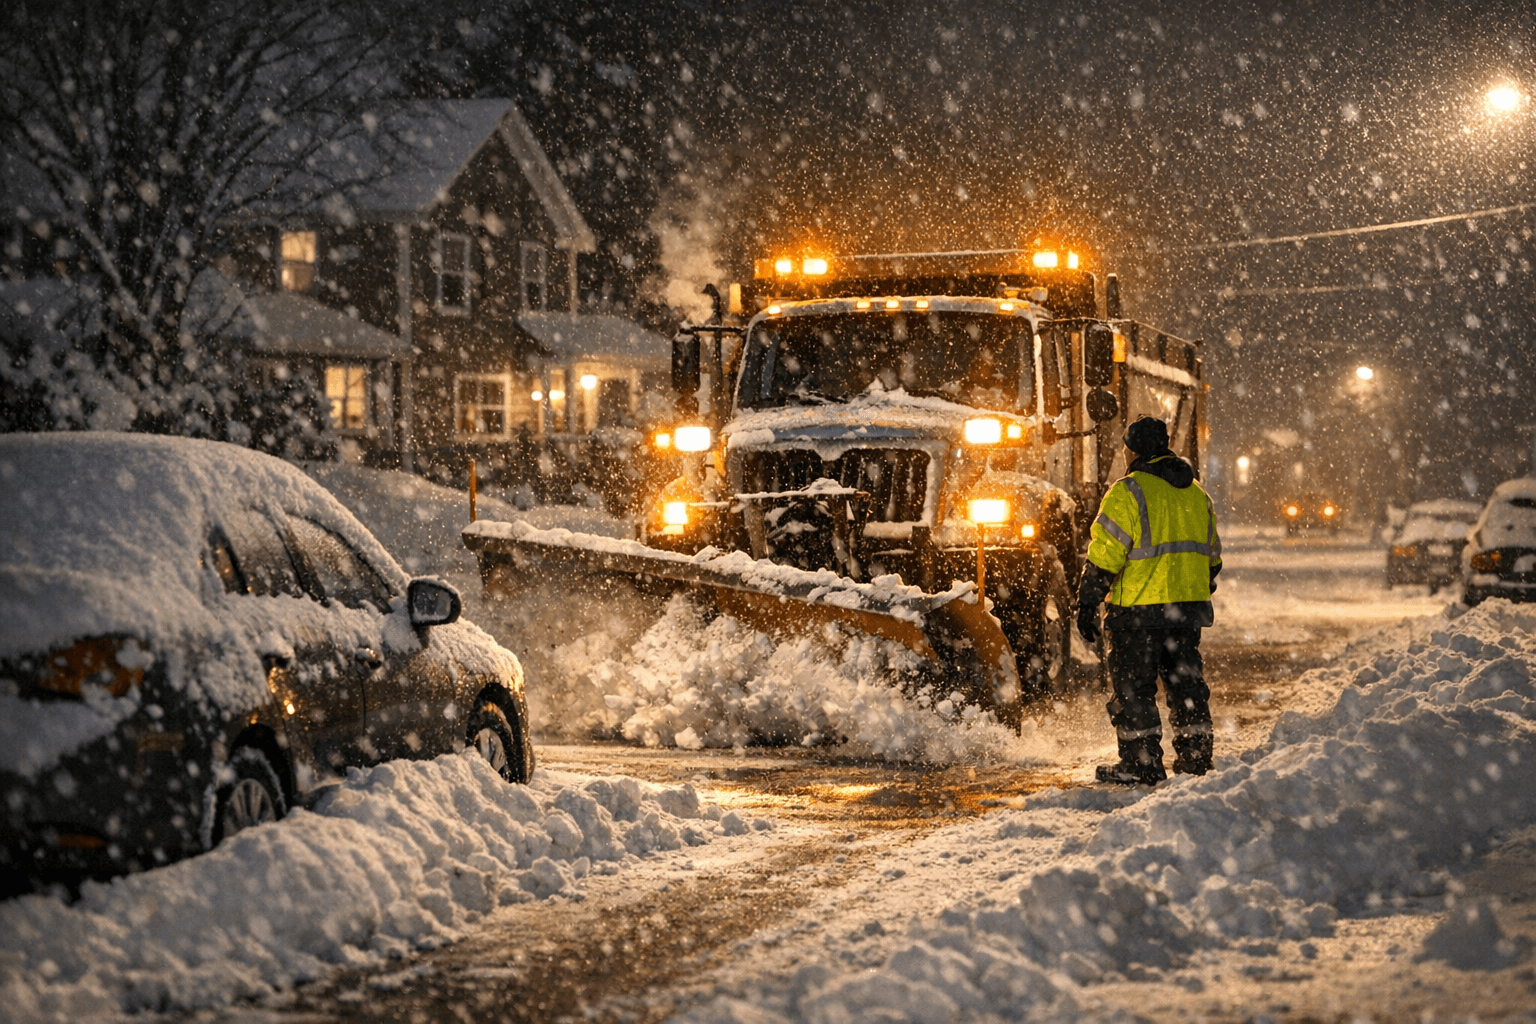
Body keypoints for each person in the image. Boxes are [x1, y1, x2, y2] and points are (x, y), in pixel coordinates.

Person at [1076, 416, 1221, 785]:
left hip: (1137, 612)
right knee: (1186, 685)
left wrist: (1088, 601)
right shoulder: (1197, 494)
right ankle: (1196, 758)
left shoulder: (1128, 492)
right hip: (1186, 613)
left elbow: (1106, 554)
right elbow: (1212, 558)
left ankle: (1142, 764)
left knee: (1134, 689)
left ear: (1133, 449)